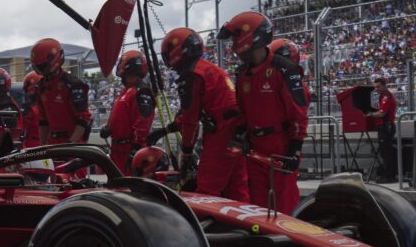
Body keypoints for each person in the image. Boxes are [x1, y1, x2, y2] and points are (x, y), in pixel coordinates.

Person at [217, 11, 308, 214]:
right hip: (254, 150)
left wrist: (295, 148)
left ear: (248, 38)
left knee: (284, 210)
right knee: (257, 210)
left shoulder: (284, 70)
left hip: (280, 148)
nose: (232, 46)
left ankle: (291, 245)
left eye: (234, 38)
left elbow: (298, 114)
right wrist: (240, 133)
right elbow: (243, 112)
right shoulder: (242, 74)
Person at [148, 27, 248, 201]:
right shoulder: (207, 69)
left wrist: (186, 151)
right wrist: (165, 130)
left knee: (207, 189)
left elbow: (190, 119)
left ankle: (207, 227)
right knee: (236, 187)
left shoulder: (193, 75)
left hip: (221, 134)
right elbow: (190, 114)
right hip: (236, 132)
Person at [100, 50, 155, 175]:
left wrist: (135, 149)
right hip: (117, 149)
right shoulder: (127, 91)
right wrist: (109, 128)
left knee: (126, 188)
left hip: (128, 149)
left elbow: (142, 123)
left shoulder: (141, 91)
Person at [30, 38, 91, 145]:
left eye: (42, 66)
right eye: (38, 66)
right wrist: (41, 147)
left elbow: (83, 118)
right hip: (52, 143)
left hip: (72, 144)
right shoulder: (41, 87)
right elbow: (43, 120)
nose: (40, 69)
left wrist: (71, 142)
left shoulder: (73, 85)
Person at [367, 78, 398, 183]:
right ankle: (389, 175)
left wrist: (369, 115)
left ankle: (389, 176)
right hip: (385, 126)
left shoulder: (386, 96)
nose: (376, 89)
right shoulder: (383, 96)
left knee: (386, 152)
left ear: (384, 86)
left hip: (386, 126)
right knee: (385, 152)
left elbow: (382, 113)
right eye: (375, 87)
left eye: (378, 86)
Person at [21, 70, 43, 148]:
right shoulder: (51, 106)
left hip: (32, 150)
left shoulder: (31, 111)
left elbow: (22, 131)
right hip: (51, 147)